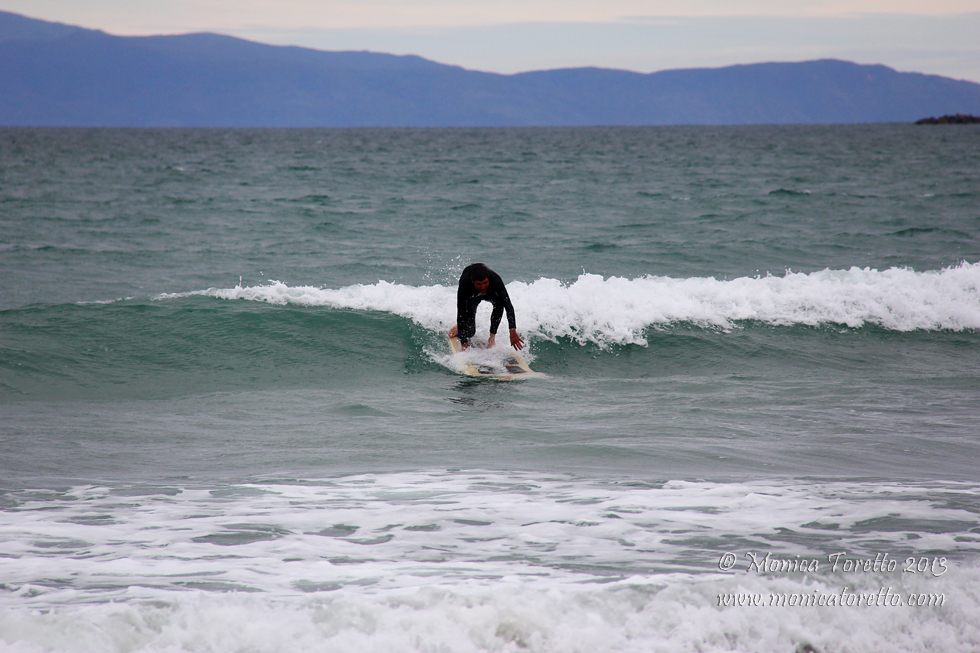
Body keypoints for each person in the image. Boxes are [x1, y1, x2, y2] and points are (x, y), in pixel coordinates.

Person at [448, 263, 524, 351]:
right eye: (479, 284)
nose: (483, 287)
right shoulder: (465, 285)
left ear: (488, 278)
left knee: (500, 304)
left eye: (485, 282)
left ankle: (491, 339)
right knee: (470, 332)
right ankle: (459, 327)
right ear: (473, 282)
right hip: (472, 296)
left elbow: (508, 305)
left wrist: (512, 331)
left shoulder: (495, 279)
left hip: (489, 293)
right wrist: (463, 342)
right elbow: (461, 313)